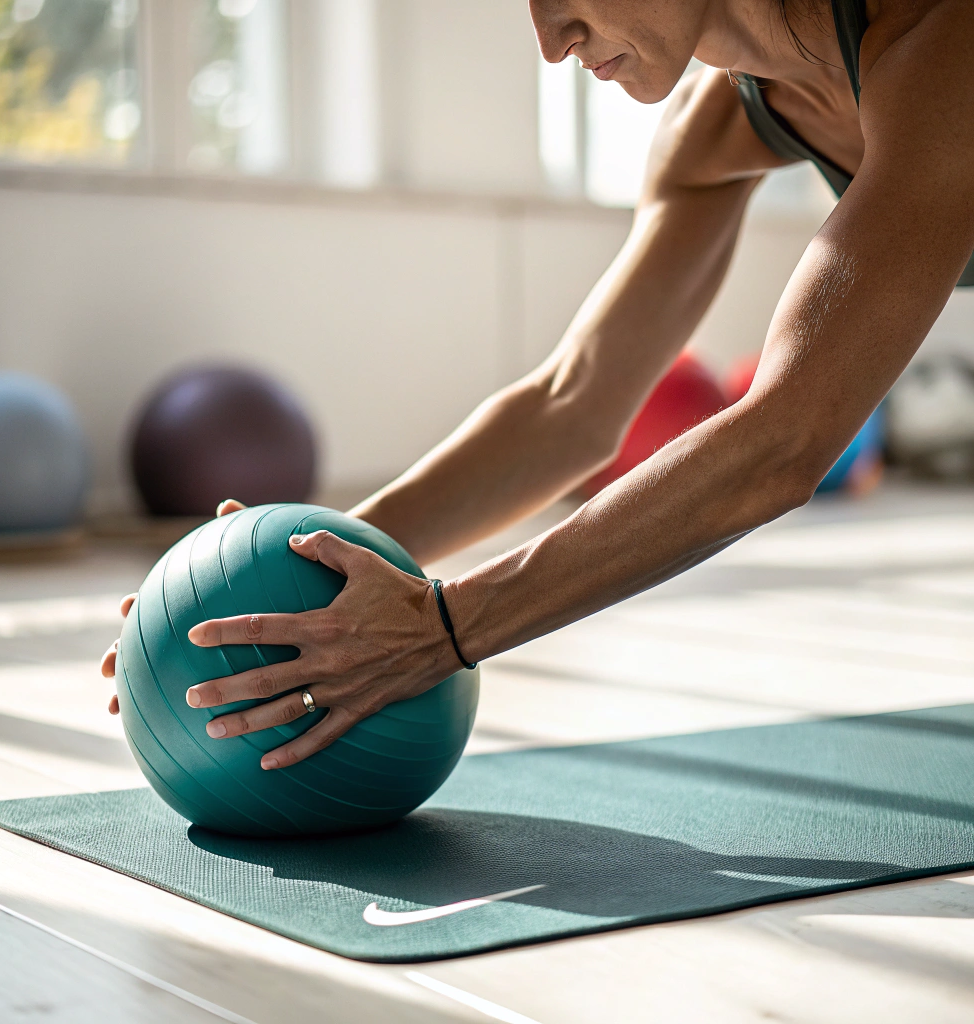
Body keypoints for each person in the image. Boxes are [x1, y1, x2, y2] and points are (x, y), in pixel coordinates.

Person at [102, 0, 974, 770]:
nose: (551, 41)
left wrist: (447, 626)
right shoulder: (712, 129)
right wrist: (298, 566)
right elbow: (572, 405)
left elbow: (784, 440)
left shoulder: (941, 43)